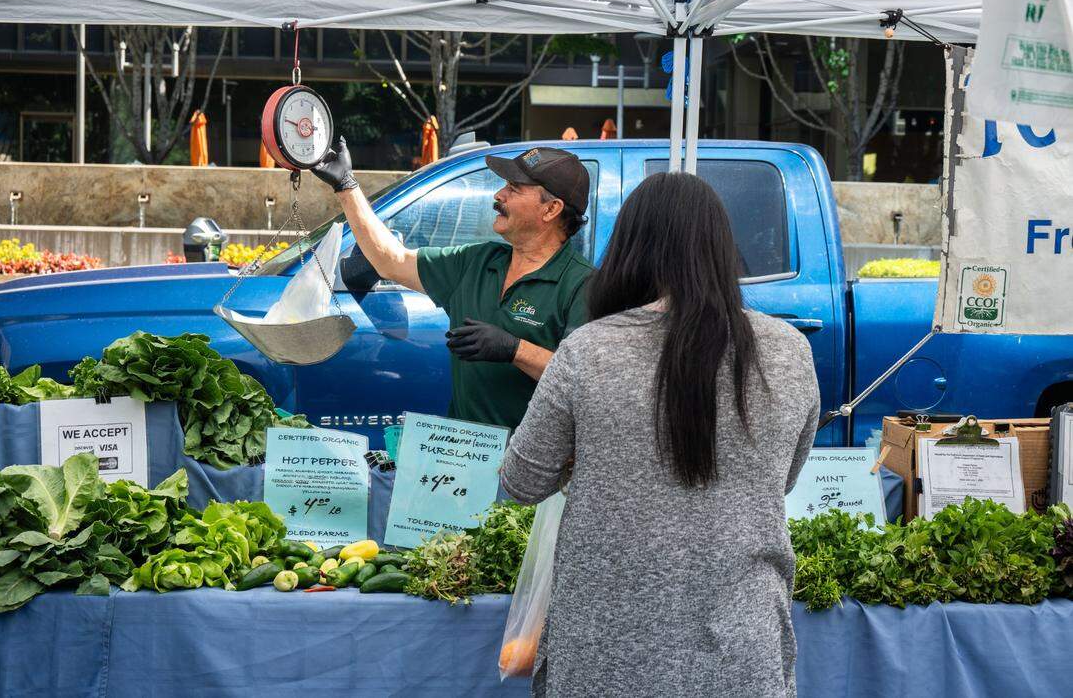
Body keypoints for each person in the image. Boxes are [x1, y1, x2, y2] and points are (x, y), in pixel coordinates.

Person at [499, 172, 820, 697]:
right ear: (722, 248)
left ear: (629, 248)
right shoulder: (788, 350)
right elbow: (778, 478)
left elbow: (522, 480)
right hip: (741, 648)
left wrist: (593, 460)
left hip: (604, 649)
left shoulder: (588, 350)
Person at [312, 137, 593, 431]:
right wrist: (346, 186)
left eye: (514, 189)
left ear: (551, 209)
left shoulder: (583, 285)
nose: (499, 195)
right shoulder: (477, 260)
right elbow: (390, 260)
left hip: (533, 468)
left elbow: (582, 383)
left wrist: (514, 349)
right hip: (464, 458)